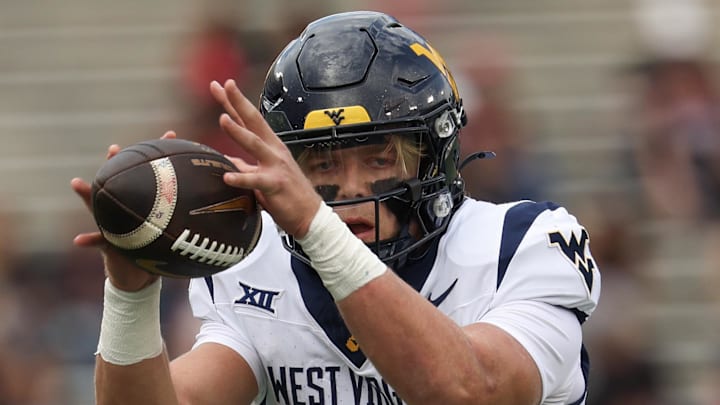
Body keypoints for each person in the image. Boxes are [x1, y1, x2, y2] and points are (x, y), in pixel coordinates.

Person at [71, 11, 601, 405]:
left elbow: (471, 392)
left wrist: (317, 228)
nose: (351, 187)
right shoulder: (258, 268)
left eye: (379, 158)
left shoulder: (521, 245)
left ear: (432, 157)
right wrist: (130, 295)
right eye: (323, 164)